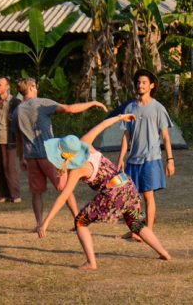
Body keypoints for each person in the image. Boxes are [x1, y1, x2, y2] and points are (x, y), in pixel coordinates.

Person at [37, 114, 171, 270]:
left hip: (114, 192)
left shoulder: (77, 170)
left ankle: (91, 262)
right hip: (127, 183)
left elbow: (64, 197)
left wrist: (45, 223)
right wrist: (121, 117)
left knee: (80, 221)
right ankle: (164, 253)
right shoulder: (85, 142)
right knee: (136, 223)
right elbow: (102, 125)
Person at [11, 77, 107, 231]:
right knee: (65, 187)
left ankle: (39, 223)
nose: (36, 89)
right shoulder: (42, 103)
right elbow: (69, 108)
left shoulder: (17, 111)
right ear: (30, 88)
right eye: (35, 87)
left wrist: (21, 157)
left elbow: (18, 138)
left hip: (31, 157)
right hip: (49, 154)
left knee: (37, 192)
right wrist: (92, 103)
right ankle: (78, 220)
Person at [118, 69, 175, 237]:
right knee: (132, 199)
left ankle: (148, 231)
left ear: (151, 85)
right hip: (132, 160)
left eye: (144, 82)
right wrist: (121, 158)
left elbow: (165, 136)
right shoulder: (130, 108)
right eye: (138, 82)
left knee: (148, 196)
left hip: (150, 159)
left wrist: (170, 159)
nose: (140, 85)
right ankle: (136, 230)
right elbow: (126, 136)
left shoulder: (158, 108)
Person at [0, 76, 22, 203]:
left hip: (10, 139)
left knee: (10, 167)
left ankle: (14, 195)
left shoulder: (15, 102)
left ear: (7, 87)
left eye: (0, 85)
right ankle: (0, 195)